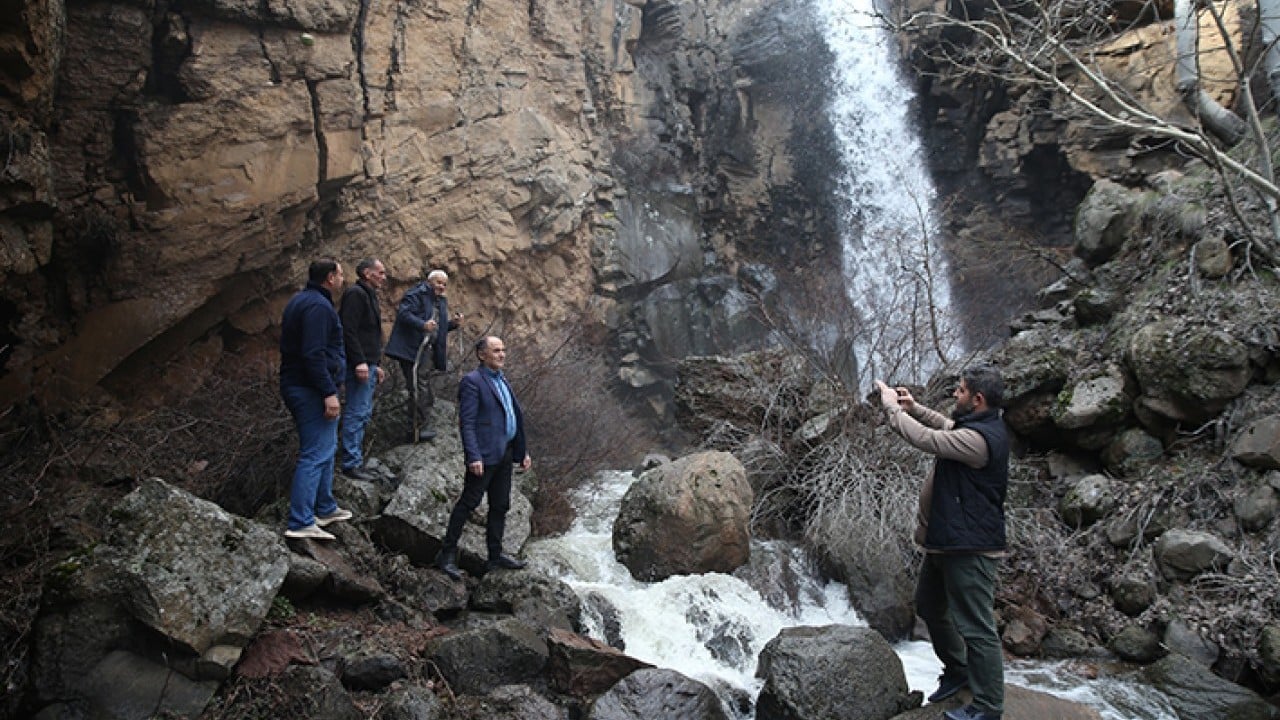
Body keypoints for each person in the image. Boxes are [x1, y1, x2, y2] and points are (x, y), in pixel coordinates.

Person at [874, 367, 1010, 720]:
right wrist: (914, 407)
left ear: (977, 400)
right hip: (948, 541)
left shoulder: (980, 440)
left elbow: (926, 439)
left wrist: (892, 408)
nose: (955, 394)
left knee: (977, 628)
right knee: (930, 607)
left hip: (970, 548)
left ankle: (988, 707)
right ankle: (959, 669)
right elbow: (944, 427)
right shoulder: (976, 426)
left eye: (961, 391)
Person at [435, 336, 532, 580]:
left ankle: (495, 555)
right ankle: (446, 555)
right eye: (496, 350)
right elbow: (466, 422)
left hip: (505, 453)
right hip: (484, 456)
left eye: (503, 350)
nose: (502, 354)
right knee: (468, 503)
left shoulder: (503, 381)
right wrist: (473, 456)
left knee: (500, 505)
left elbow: (512, 418)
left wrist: (522, 452)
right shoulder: (472, 382)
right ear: (482, 355)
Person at [279, 259, 355, 541]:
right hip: (309, 389)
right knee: (315, 452)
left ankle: (324, 507)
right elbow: (313, 354)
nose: (343, 279)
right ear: (330, 278)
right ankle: (300, 520)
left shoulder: (302, 300)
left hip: (301, 385)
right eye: (340, 274)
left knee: (326, 446)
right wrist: (328, 392)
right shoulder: (318, 308)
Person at [384, 269, 463, 442]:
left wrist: (453, 324)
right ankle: (416, 429)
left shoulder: (439, 301)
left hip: (426, 349)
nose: (441, 287)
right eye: (438, 282)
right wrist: (422, 324)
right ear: (429, 282)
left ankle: (421, 425)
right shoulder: (416, 293)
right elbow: (404, 314)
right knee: (418, 386)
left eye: (444, 284)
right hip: (411, 349)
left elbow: (437, 327)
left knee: (423, 385)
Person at [338, 258, 388, 481]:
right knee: (356, 412)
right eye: (380, 272)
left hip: (367, 363)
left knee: (363, 412)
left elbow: (369, 334)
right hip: (358, 364)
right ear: (367, 273)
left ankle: (355, 460)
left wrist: (374, 363)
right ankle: (350, 463)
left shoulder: (368, 295)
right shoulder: (356, 295)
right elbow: (348, 330)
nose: (384, 277)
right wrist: (359, 361)